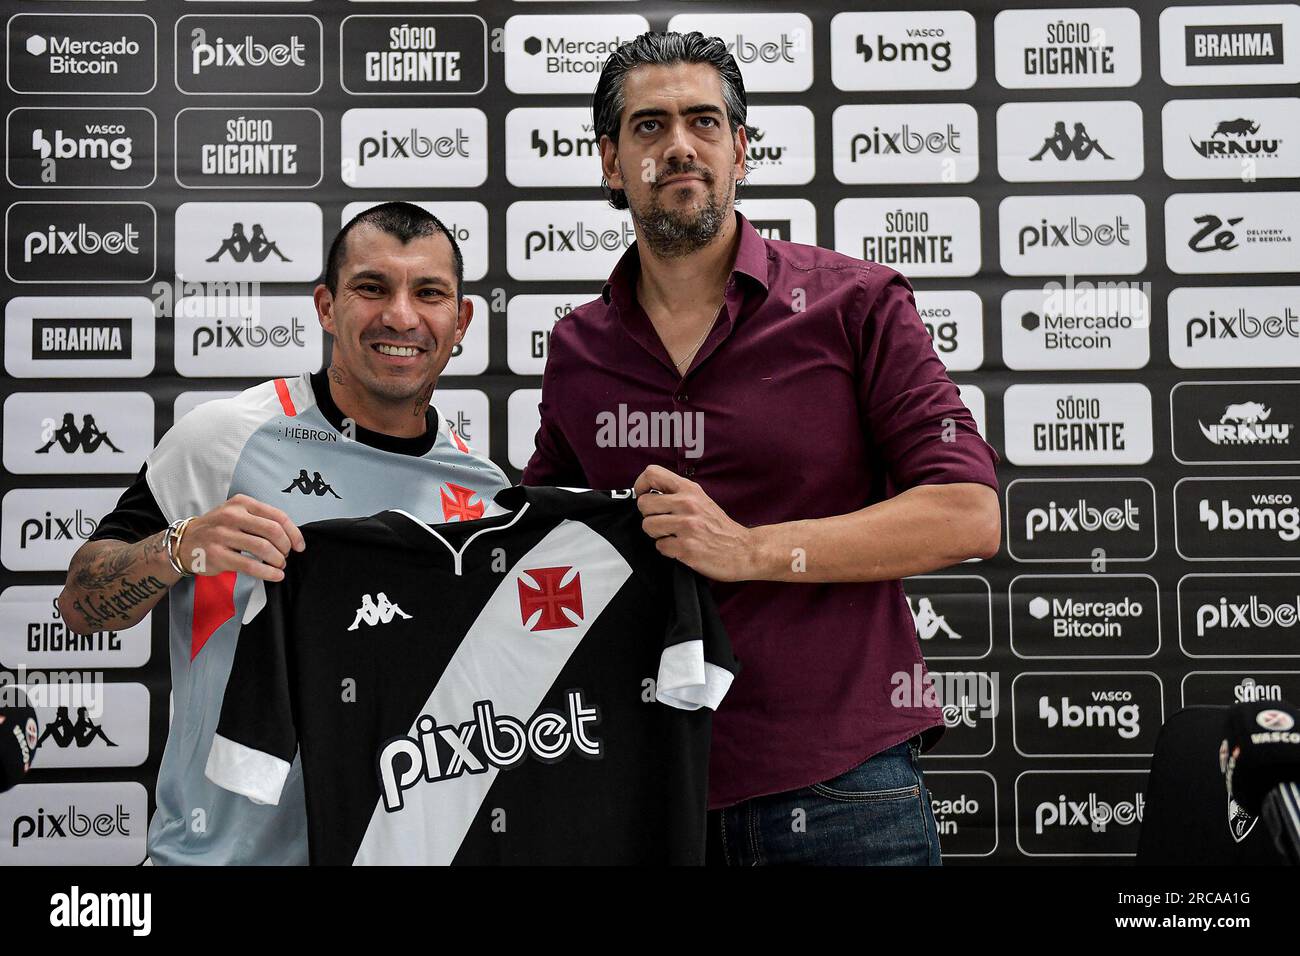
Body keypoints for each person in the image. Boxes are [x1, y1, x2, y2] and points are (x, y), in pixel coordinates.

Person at [522, 32, 1002, 865]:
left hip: (845, 791)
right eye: (648, 127)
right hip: (641, 789)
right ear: (610, 162)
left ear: (740, 150)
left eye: (704, 121)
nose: (678, 145)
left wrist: (750, 549)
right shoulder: (578, 346)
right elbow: (545, 540)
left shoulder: (856, 304)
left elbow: (966, 514)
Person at [58, 201, 510, 865]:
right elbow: (79, 606)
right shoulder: (223, 438)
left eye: (430, 293)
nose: (402, 317)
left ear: (461, 320)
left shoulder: (486, 493)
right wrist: (180, 547)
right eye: (372, 287)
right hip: (215, 859)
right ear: (327, 306)